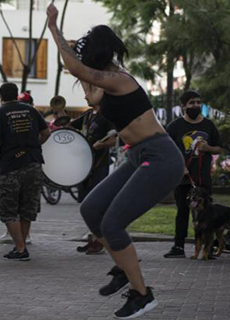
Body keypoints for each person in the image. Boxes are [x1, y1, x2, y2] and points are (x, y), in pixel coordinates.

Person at [47, 4, 184, 318]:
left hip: (161, 157)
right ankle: (125, 267)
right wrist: (70, 49)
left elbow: (78, 71)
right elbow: (87, 89)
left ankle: (143, 294)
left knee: (111, 223)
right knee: (91, 210)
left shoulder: (120, 79)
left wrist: (54, 29)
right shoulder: (104, 83)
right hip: (139, 156)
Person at [0, 83, 49, 260]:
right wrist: (34, 145)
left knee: (7, 206)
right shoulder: (31, 110)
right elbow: (46, 133)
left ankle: (20, 249)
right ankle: (22, 244)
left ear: (1, 97)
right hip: (34, 163)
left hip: (11, 165)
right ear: (16, 95)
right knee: (27, 206)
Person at [164, 90, 222, 258]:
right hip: (183, 178)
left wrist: (208, 148)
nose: (196, 106)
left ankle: (207, 249)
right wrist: (179, 166)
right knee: (182, 211)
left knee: (207, 215)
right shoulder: (174, 127)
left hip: (203, 178)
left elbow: (219, 147)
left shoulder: (209, 125)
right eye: (191, 103)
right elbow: (167, 151)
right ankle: (178, 247)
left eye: (198, 102)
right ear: (183, 106)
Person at [70, 83, 115, 254]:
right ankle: (92, 237)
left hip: (99, 166)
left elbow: (114, 138)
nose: (85, 96)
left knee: (98, 204)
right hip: (85, 168)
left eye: (89, 93)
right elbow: (69, 127)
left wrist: (100, 145)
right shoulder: (88, 115)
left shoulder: (108, 115)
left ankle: (99, 240)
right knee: (86, 203)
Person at [0, 91, 35, 245]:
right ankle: (16, 239)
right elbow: (45, 134)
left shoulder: (3, 113)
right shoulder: (30, 113)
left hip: (13, 166)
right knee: (20, 204)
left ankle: (21, 245)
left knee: (17, 204)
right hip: (28, 163)